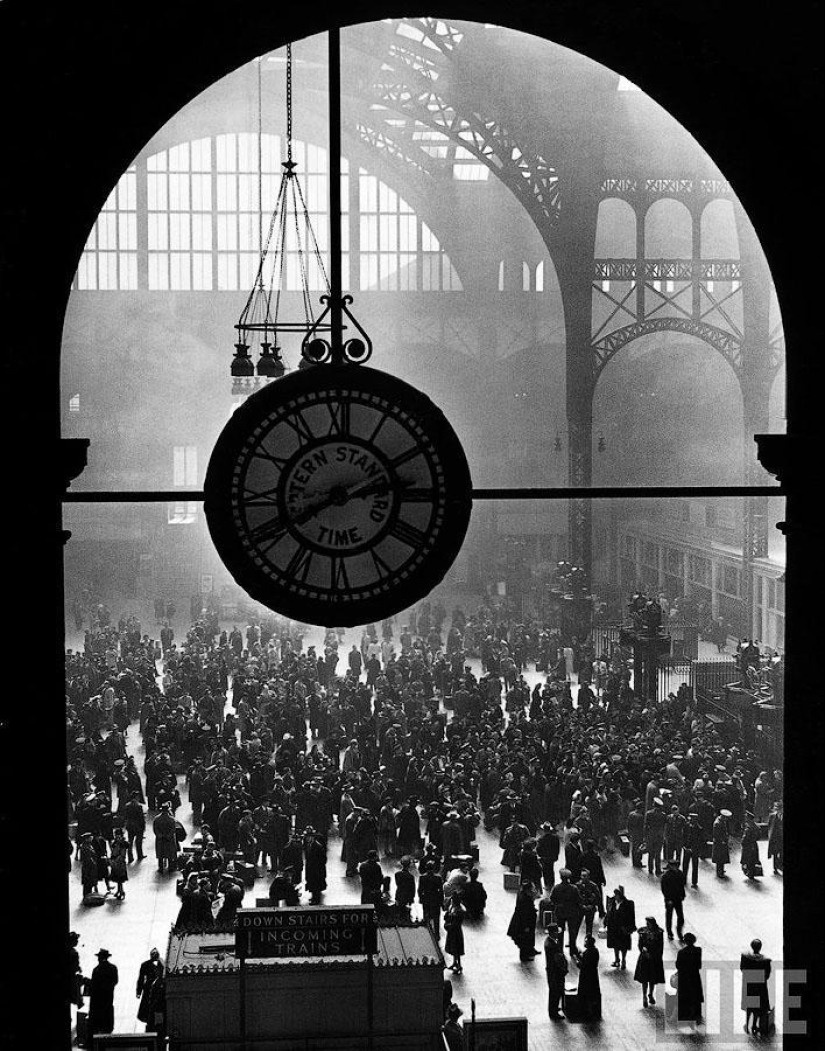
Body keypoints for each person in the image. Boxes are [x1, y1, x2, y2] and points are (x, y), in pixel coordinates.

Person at [740, 938, 772, 1035]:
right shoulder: (766, 960)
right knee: (758, 1006)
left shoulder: (745, 957)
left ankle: (747, 1022)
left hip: (750, 984)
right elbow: (767, 975)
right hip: (760, 985)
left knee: (750, 1004)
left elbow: (742, 969)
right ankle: (754, 1024)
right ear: (760, 947)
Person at [549, 868, 582, 957]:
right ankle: (572, 949)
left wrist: (558, 904)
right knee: (572, 932)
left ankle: (560, 950)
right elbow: (579, 900)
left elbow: (552, 899)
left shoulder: (556, 888)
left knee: (560, 931)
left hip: (560, 913)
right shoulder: (574, 888)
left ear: (560, 877)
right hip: (572, 913)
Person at [87, 949, 118, 1042]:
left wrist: (88, 982)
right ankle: (107, 1040)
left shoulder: (96, 970)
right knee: (107, 1021)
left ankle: (91, 1042)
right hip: (108, 998)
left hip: (97, 1001)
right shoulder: (113, 968)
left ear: (100, 958)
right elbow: (115, 981)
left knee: (95, 1022)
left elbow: (94, 985)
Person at [634, 917, 665, 1007]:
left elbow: (660, 946)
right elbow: (640, 944)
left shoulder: (659, 932)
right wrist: (643, 951)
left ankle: (650, 994)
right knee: (644, 979)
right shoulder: (643, 932)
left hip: (655, 958)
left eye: (649, 923)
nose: (647, 925)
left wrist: (657, 956)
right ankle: (644, 996)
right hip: (645, 957)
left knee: (652, 979)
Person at [507, 880, 539, 961]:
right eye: (532, 888)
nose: (534, 890)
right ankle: (524, 956)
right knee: (525, 939)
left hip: (523, 922)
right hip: (525, 923)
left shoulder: (522, 895)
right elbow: (525, 914)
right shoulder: (525, 900)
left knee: (526, 938)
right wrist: (526, 926)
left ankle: (530, 951)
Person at [675, 932, 703, 1022]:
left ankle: (684, 1013)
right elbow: (699, 965)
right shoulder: (698, 950)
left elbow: (678, 965)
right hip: (694, 975)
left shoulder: (681, 952)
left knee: (684, 994)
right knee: (695, 994)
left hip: (684, 976)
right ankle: (696, 1013)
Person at [605, 886, 635, 969]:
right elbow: (609, 914)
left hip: (623, 928)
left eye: (617, 895)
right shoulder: (612, 903)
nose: (615, 896)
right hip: (614, 928)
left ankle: (623, 960)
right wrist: (606, 922)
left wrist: (630, 928)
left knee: (623, 945)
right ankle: (617, 959)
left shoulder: (628, 904)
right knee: (615, 945)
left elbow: (631, 917)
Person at [544, 923, 568, 1020]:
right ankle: (553, 1012)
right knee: (555, 991)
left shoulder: (549, 941)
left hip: (552, 971)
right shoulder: (552, 945)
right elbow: (558, 959)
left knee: (554, 991)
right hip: (555, 972)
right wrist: (564, 969)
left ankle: (553, 1008)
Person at [136, 948, 164, 1028]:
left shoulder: (162, 964)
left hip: (159, 990)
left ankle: (158, 1024)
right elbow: (141, 979)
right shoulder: (145, 965)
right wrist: (139, 992)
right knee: (148, 1008)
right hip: (149, 990)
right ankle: (149, 1022)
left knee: (158, 1008)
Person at [660, 859, 686, 941]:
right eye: (674, 866)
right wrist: (668, 899)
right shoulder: (666, 876)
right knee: (669, 917)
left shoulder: (680, 874)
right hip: (670, 899)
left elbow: (682, 885)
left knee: (680, 917)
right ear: (670, 866)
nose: (676, 867)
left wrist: (683, 895)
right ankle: (669, 933)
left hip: (678, 898)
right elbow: (664, 889)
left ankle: (679, 931)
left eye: (676, 866)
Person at [577, 934, 601, 1019]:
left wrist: (578, 960)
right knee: (593, 993)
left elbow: (584, 964)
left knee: (587, 993)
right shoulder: (595, 950)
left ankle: (587, 1011)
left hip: (586, 976)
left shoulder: (587, 952)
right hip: (593, 975)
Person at [418, 860, 445, 937]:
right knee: (436, 918)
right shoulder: (438, 878)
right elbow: (441, 891)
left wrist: (421, 898)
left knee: (426, 917)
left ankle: (427, 934)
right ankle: (437, 934)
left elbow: (420, 890)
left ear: (426, 868)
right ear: (433, 868)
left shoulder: (422, 877)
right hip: (435, 899)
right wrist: (442, 902)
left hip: (426, 899)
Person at [153, 801, 178, 874]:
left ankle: (160, 868)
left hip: (160, 839)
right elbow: (173, 829)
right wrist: (168, 835)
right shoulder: (171, 819)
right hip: (169, 839)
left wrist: (160, 835)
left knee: (160, 854)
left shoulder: (156, 819)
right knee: (170, 853)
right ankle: (170, 868)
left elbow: (155, 829)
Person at [444, 892, 465, 973]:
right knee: (454, 948)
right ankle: (454, 963)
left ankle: (459, 965)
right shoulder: (453, 908)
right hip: (453, 930)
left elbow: (455, 921)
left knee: (456, 948)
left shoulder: (458, 910)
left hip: (455, 931)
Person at [109, 827, 129, 899]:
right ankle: (119, 891)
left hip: (120, 863)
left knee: (120, 879)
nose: (117, 837)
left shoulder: (123, 844)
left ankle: (121, 891)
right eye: (116, 836)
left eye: (118, 835)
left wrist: (116, 860)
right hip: (115, 863)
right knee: (118, 879)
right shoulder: (115, 843)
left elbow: (122, 855)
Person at [394, 855, 416, 920]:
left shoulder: (397, 874)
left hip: (399, 895)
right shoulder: (411, 876)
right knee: (406, 914)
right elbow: (412, 889)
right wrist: (412, 898)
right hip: (407, 897)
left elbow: (398, 884)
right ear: (409, 865)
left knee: (399, 913)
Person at [712, 809, 731, 878]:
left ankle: (721, 870)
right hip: (719, 843)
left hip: (722, 843)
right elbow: (716, 834)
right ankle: (719, 872)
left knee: (721, 858)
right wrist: (721, 840)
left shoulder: (721, 821)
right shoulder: (718, 823)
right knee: (719, 858)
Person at [767, 801, 783, 873]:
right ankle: (775, 868)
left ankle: (780, 866)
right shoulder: (772, 816)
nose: (776, 809)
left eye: (778, 808)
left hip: (782, 838)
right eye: (775, 808)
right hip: (775, 838)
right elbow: (769, 827)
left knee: (782, 853)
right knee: (775, 853)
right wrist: (770, 836)